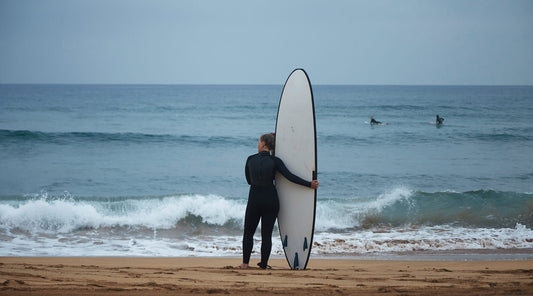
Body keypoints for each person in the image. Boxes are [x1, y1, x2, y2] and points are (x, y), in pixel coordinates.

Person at [239, 133, 319, 270]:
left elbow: (248, 181)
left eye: (259, 142)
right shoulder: (275, 161)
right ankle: (263, 264)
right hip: (271, 200)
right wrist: (309, 184)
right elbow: (290, 177)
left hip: (254, 199)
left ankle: (245, 263)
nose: (258, 144)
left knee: (248, 233)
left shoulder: (250, 159)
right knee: (266, 234)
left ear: (263, 144)